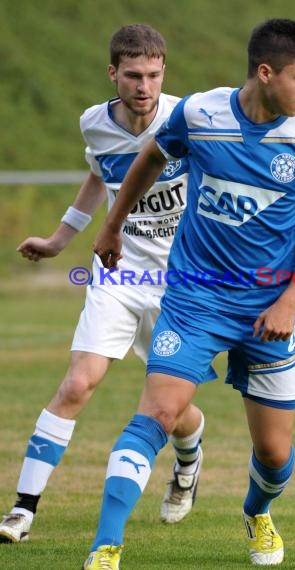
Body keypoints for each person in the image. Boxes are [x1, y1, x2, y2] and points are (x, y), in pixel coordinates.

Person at [84, 18, 295, 569]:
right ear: (265, 72)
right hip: (193, 298)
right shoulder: (201, 113)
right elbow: (152, 158)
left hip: (268, 311)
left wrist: (288, 303)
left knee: (274, 455)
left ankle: (258, 513)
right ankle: (105, 548)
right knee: (157, 412)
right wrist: (111, 226)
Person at [0, 24, 205, 545]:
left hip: (180, 286)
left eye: (154, 75)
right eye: (133, 75)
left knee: (173, 409)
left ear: (164, 74)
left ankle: (188, 461)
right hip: (117, 273)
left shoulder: (191, 119)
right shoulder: (95, 123)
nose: (144, 86)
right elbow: (99, 175)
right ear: (113, 73)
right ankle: (23, 510)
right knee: (77, 384)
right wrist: (58, 239)